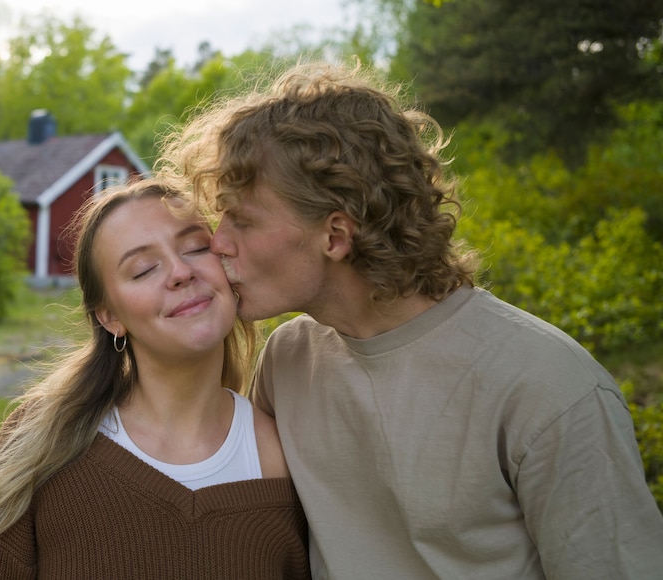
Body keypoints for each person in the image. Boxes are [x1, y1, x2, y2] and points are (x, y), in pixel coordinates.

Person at [159, 61, 663, 579]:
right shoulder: (290, 360)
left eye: (241, 220)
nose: (217, 243)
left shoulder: (547, 385)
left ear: (335, 235)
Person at [0, 178, 310, 579]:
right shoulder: (40, 443)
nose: (179, 272)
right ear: (111, 317)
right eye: (142, 270)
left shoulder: (285, 456)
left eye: (195, 247)